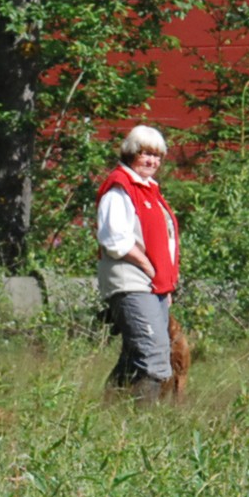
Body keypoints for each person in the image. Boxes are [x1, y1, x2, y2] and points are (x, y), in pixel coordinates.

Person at [95, 125, 181, 400]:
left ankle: (106, 413)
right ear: (131, 153)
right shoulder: (119, 187)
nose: (152, 161)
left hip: (153, 284)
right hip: (132, 280)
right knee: (154, 359)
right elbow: (115, 239)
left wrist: (164, 286)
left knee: (135, 356)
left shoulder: (149, 190)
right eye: (145, 154)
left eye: (157, 156)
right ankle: (142, 423)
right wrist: (146, 265)